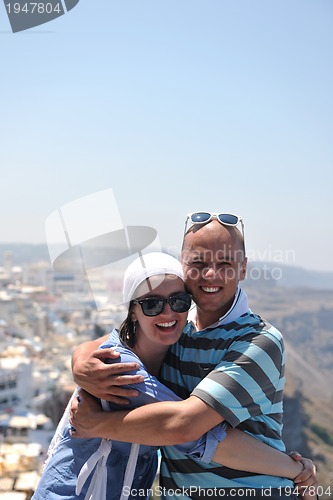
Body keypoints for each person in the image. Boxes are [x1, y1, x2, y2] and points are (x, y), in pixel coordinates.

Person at [71, 212, 318, 499]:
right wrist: (79, 359)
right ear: (183, 265)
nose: (211, 275)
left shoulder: (259, 341)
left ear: (243, 268)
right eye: (198, 263)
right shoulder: (175, 326)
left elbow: (185, 426)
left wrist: (97, 425)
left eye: (225, 263)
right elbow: (122, 340)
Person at [33, 252, 227, 500]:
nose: (167, 313)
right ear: (133, 311)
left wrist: (79, 357)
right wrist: (289, 467)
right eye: (152, 304)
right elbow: (199, 435)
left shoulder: (174, 359)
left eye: (178, 301)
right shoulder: (124, 373)